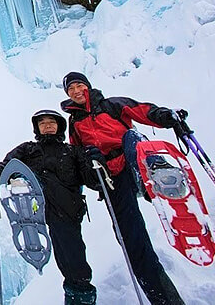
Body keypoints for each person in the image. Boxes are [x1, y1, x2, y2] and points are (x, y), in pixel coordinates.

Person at [60, 71, 186, 305]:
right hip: (110, 178)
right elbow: (76, 153)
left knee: (131, 137)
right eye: (71, 89)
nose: (76, 91)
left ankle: (153, 177)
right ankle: (164, 300)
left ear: (88, 86)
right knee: (131, 240)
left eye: (79, 86)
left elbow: (142, 111)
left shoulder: (112, 105)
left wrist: (165, 116)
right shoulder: (75, 122)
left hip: (131, 161)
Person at [0, 109, 103, 305]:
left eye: (52, 122)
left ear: (59, 126)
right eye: (42, 123)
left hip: (66, 212)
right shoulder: (27, 149)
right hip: (34, 212)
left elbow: (93, 181)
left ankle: (81, 298)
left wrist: (96, 161)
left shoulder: (73, 152)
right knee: (70, 260)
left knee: (74, 263)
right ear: (37, 128)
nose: (47, 126)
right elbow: (4, 169)